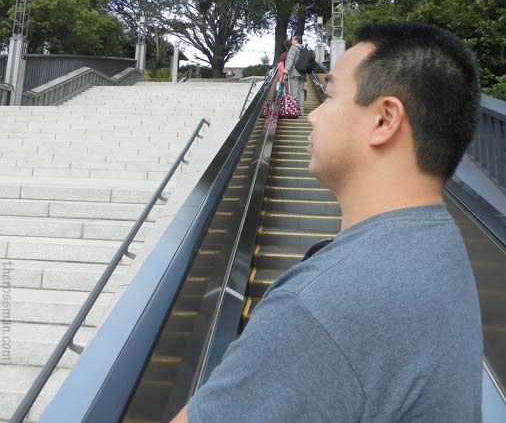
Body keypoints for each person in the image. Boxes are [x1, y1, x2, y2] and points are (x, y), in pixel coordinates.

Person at [172, 21, 483, 423]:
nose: (313, 115)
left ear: (384, 119)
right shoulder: (440, 248)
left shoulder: (322, 309)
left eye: (331, 94)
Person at [284, 35, 305, 116]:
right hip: (302, 73)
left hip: (294, 73)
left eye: (293, 39)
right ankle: (301, 111)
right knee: (301, 92)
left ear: (296, 41)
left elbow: (290, 59)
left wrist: (287, 69)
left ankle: (294, 110)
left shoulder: (293, 48)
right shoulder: (302, 49)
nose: (292, 41)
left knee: (294, 91)